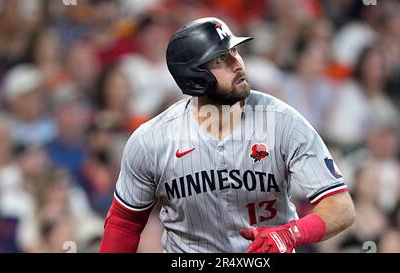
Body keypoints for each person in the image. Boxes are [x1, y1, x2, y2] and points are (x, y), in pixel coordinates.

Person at [100, 17, 355, 253]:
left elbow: (341, 207)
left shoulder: (284, 122)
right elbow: (125, 222)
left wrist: (290, 234)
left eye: (234, 51)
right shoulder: (152, 140)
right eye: (221, 59)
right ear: (194, 77)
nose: (237, 64)